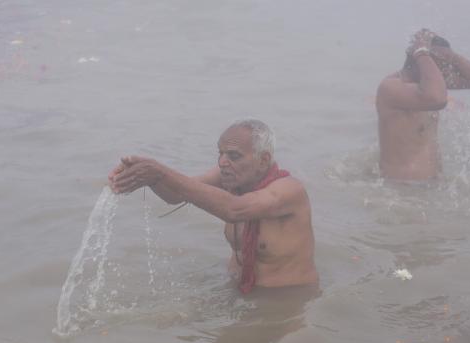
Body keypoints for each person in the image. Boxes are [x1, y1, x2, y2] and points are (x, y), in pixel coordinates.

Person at [108, 118, 318, 293]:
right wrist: (147, 178)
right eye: (220, 153)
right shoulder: (231, 176)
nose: (222, 163)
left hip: (284, 300)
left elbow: (235, 209)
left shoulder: (289, 191)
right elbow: (175, 195)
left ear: (263, 160)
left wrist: (159, 171)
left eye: (233, 155)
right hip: (236, 288)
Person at [376, 29, 470, 181]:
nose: (446, 71)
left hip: (431, 187)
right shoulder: (390, 88)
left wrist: (451, 56)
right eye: (442, 66)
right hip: (401, 191)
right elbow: (437, 99)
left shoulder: (429, 84)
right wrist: (421, 51)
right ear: (421, 61)